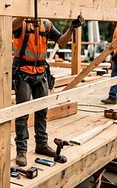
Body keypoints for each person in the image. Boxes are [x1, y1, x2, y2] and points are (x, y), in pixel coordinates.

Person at [12, 17, 78, 167]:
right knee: (22, 113)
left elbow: (61, 42)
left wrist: (71, 28)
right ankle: (21, 150)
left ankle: (41, 144)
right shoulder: (21, 23)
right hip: (23, 72)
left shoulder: (46, 24)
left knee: (42, 112)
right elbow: (11, 27)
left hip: (41, 72)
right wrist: (25, 13)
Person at [101, 22, 117, 104]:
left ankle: (112, 96)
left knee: (115, 75)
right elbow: (116, 40)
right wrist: (112, 50)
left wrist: (116, 53)